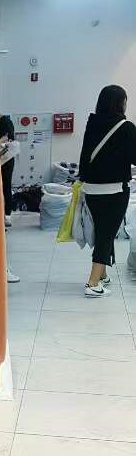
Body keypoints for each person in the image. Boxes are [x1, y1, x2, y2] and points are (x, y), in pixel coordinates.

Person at [79, 84, 136, 297]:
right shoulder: (126, 127)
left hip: (91, 189)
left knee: (102, 231)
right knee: (106, 234)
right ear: (121, 103)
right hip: (115, 190)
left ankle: (101, 274)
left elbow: (84, 155)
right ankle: (93, 283)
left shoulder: (92, 123)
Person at [0, 107, 16, 227]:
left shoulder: (5, 122)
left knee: (5, 186)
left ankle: (7, 215)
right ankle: (2, 215)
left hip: (6, 160)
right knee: (0, 187)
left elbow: (8, 139)